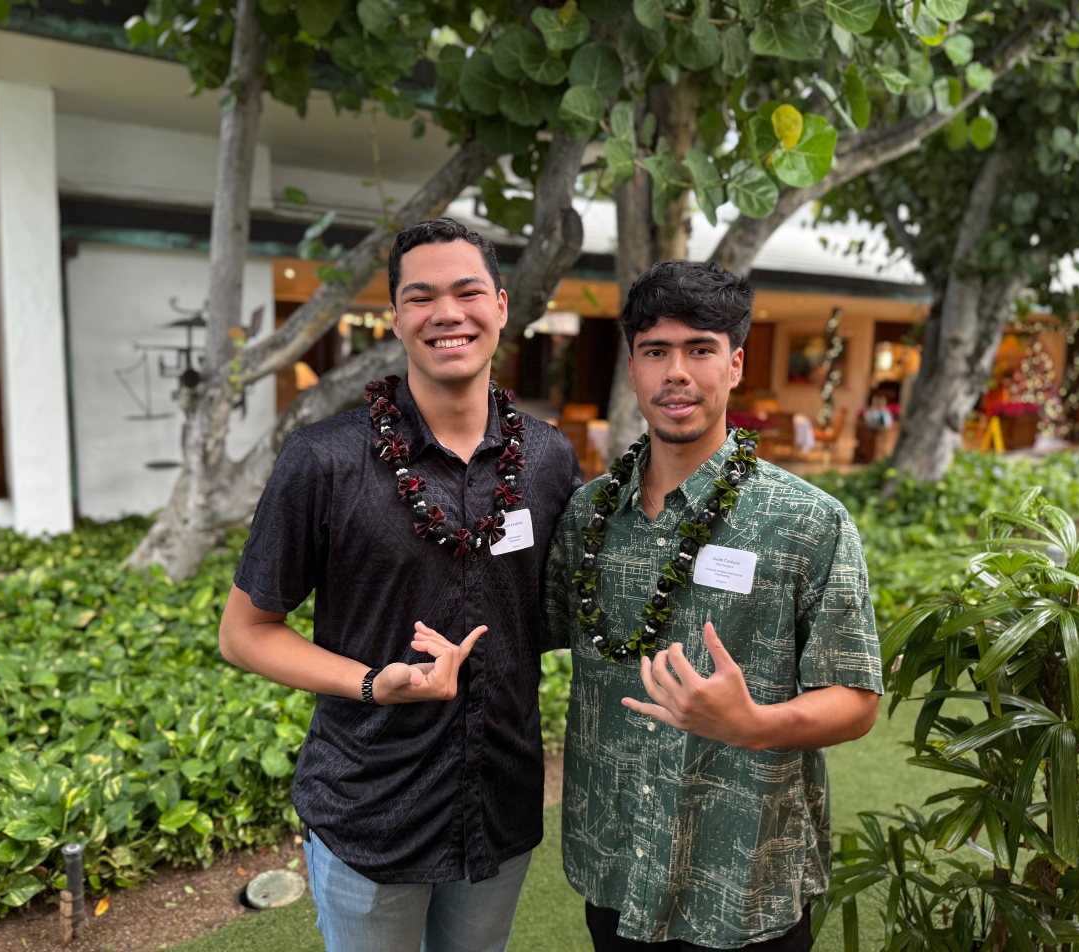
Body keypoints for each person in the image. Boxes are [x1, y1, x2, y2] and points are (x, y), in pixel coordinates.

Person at [220, 218, 582, 952]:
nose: (446, 313)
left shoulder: (546, 459)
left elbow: (564, 611)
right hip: (370, 806)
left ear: (503, 305)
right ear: (394, 318)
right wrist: (371, 683)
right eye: (421, 297)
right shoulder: (324, 460)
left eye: (467, 291)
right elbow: (243, 633)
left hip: (499, 804)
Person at [545, 260, 883, 952]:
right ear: (632, 368)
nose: (677, 372)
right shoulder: (587, 516)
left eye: (699, 349)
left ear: (732, 365)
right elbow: (532, 631)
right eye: (655, 352)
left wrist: (753, 723)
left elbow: (855, 701)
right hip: (614, 860)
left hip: (742, 878)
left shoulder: (806, 522)